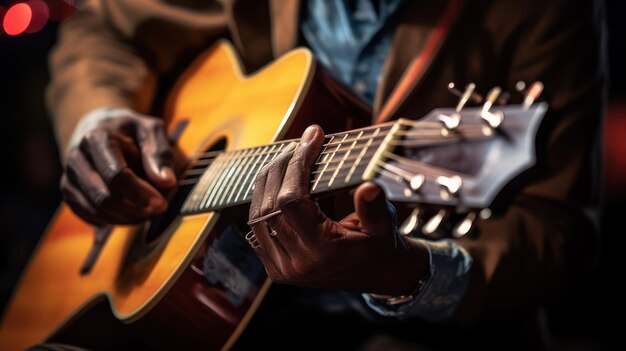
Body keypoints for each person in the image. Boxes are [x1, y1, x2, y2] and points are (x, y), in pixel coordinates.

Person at [45, 0, 607, 350]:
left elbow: (558, 234)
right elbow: (102, 27)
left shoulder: (543, 11)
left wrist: (408, 272)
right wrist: (97, 120)